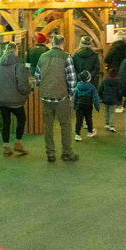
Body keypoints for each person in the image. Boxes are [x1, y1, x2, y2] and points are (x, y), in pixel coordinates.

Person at [36, 33, 78, 163]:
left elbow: (38, 77)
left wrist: (42, 88)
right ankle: (66, 153)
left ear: (52, 43)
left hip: (45, 96)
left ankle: (50, 154)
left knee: (48, 126)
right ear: (62, 44)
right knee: (65, 125)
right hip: (61, 97)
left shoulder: (42, 57)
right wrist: (71, 94)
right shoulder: (66, 57)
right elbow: (71, 78)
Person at [0, 45, 31, 157]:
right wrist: (27, 91)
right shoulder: (19, 65)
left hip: (1, 99)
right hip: (16, 100)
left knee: (6, 122)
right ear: (16, 51)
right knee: (21, 119)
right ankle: (18, 143)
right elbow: (22, 85)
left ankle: (6, 147)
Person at [103, 39, 126, 113]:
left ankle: (116, 104)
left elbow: (107, 59)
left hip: (114, 70)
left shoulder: (113, 48)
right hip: (123, 69)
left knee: (115, 87)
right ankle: (123, 105)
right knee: (123, 86)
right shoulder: (125, 49)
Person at [74, 71, 101, 139]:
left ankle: (77, 134)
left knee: (79, 120)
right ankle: (90, 132)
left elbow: (75, 96)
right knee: (88, 119)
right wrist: (97, 107)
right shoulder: (92, 87)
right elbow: (95, 98)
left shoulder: (78, 85)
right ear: (89, 78)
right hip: (88, 106)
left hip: (79, 105)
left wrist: (74, 105)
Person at [99, 68, 123, 132]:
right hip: (113, 99)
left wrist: (102, 97)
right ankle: (112, 126)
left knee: (106, 111)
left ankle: (106, 123)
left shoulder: (105, 81)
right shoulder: (118, 82)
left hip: (106, 99)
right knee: (112, 112)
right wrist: (118, 99)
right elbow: (120, 92)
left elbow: (100, 90)